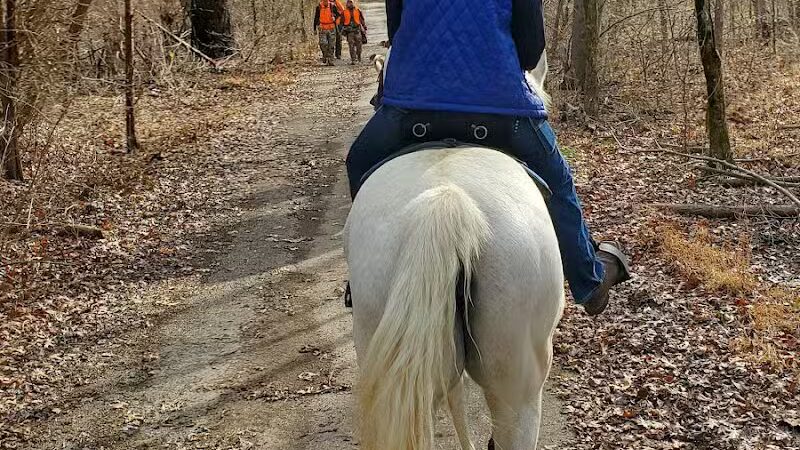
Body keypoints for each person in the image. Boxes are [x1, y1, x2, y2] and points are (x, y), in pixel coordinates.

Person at [345, 0, 631, 315]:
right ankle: (589, 282)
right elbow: (531, 50)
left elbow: (399, 33)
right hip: (500, 111)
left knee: (359, 162)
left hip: (412, 108)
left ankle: (363, 270)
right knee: (558, 179)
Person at [313, 0, 340, 66]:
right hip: (322, 28)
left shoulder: (332, 6)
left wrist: (335, 17)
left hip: (331, 28)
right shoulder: (319, 7)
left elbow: (338, 14)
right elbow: (316, 18)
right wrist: (314, 29)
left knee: (331, 45)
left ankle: (330, 60)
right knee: (323, 43)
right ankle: (325, 56)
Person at [341, 0, 367, 64]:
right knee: (351, 46)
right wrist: (342, 31)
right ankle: (353, 59)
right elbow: (341, 22)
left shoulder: (358, 11)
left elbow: (362, 20)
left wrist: (364, 27)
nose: (350, 4)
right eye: (348, 2)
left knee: (359, 45)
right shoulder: (344, 12)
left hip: (357, 30)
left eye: (351, 2)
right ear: (347, 4)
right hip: (349, 32)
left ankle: (359, 57)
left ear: (353, 3)